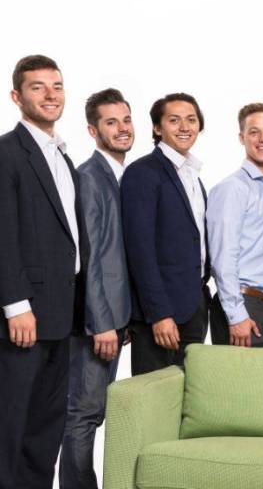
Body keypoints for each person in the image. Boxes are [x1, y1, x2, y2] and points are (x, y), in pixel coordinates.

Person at [0, 55, 88, 487]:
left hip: (60, 314)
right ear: (17, 97)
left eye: (57, 85)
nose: (50, 94)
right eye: (38, 87)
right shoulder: (6, 153)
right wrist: (16, 305)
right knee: (10, 428)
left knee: (45, 431)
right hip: (25, 316)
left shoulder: (63, 158)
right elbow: (3, 234)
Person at [60, 88, 135, 488]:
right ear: (93, 130)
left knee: (93, 412)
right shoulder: (90, 178)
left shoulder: (122, 174)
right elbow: (88, 258)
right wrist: (102, 323)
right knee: (84, 414)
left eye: (126, 120)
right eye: (111, 122)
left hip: (115, 319)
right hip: (96, 323)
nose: (122, 129)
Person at [121, 92, 210, 375]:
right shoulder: (143, 173)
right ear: (158, 129)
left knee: (188, 399)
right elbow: (140, 251)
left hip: (193, 307)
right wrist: (158, 313)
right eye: (174, 120)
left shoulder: (192, 175)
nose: (184, 126)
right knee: (154, 399)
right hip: (162, 314)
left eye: (191, 120)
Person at [207, 103, 263, 347]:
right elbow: (222, 257)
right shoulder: (232, 189)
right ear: (242, 138)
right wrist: (236, 314)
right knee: (242, 385)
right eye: (254, 132)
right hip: (245, 304)